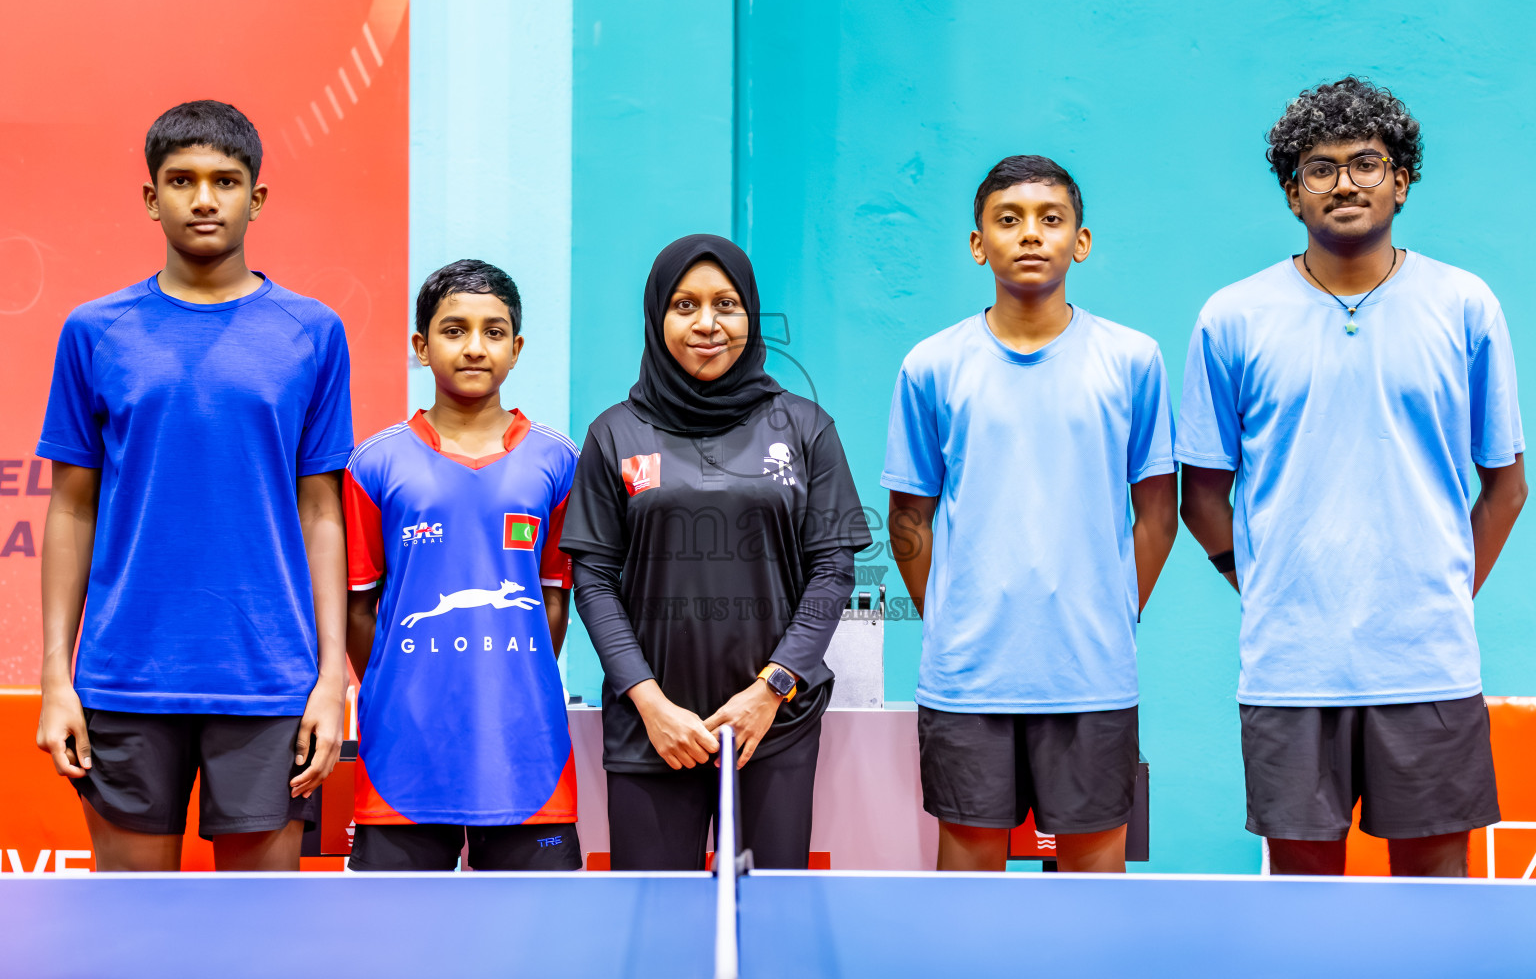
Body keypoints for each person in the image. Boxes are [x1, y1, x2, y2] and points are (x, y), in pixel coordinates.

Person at [1177, 77, 1527, 877]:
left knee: (1438, 904)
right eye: (1319, 166)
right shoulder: (1232, 316)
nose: (1344, 182)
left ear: (1401, 181)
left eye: (1366, 163)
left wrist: (1441, 591)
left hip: (1428, 663)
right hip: (1291, 667)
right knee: (1306, 907)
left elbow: (1506, 486)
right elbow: (1201, 492)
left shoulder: (1464, 304)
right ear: (1291, 192)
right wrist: (1256, 579)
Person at [33, 100, 352, 870]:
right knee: (136, 937)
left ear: (257, 197)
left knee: (256, 942)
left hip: (272, 682)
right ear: (151, 197)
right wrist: (55, 674)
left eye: (224, 180)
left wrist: (330, 676)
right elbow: (72, 507)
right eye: (181, 180)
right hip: (122, 678)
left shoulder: (312, 331)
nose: (203, 198)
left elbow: (321, 512)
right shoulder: (92, 330)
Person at [884, 155, 1179, 873]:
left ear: (1080, 240)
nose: (1030, 235)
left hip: (1091, 673)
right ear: (978, 243)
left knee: (1093, 877)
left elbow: (1158, 516)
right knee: (969, 877)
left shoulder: (1134, 359)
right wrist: (954, 615)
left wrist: (1113, 610)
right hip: (967, 676)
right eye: (1008, 220)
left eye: (1051, 219)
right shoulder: (931, 364)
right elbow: (908, 524)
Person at [561, 234, 872, 870]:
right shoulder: (614, 431)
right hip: (654, 733)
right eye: (685, 305)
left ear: (749, 315)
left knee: (770, 927)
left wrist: (771, 688)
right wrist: (650, 703)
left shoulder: (806, 426)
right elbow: (592, 579)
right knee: (652, 930)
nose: (707, 324)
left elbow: (833, 568)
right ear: (658, 316)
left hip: (773, 727)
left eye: (726, 304)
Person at [342, 259, 581, 871]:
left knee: (536, 951)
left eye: (494, 331)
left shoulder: (557, 461)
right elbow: (359, 608)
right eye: (454, 330)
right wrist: (405, 680)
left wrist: (507, 670)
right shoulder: (374, 463)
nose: (475, 347)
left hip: (527, 751)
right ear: (421, 347)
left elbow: (555, 596)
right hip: (403, 749)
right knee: (396, 952)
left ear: (517, 348)